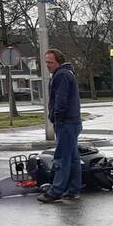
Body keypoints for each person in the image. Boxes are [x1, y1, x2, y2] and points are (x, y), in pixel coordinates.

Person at [39, 49, 83, 203]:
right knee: (73, 158)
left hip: (65, 123)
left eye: (50, 62)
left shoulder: (61, 75)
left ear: (58, 61)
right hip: (73, 121)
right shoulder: (68, 73)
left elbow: (61, 99)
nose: (47, 65)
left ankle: (55, 191)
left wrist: (57, 118)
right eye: (46, 62)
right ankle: (74, 189)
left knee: (62, 158)